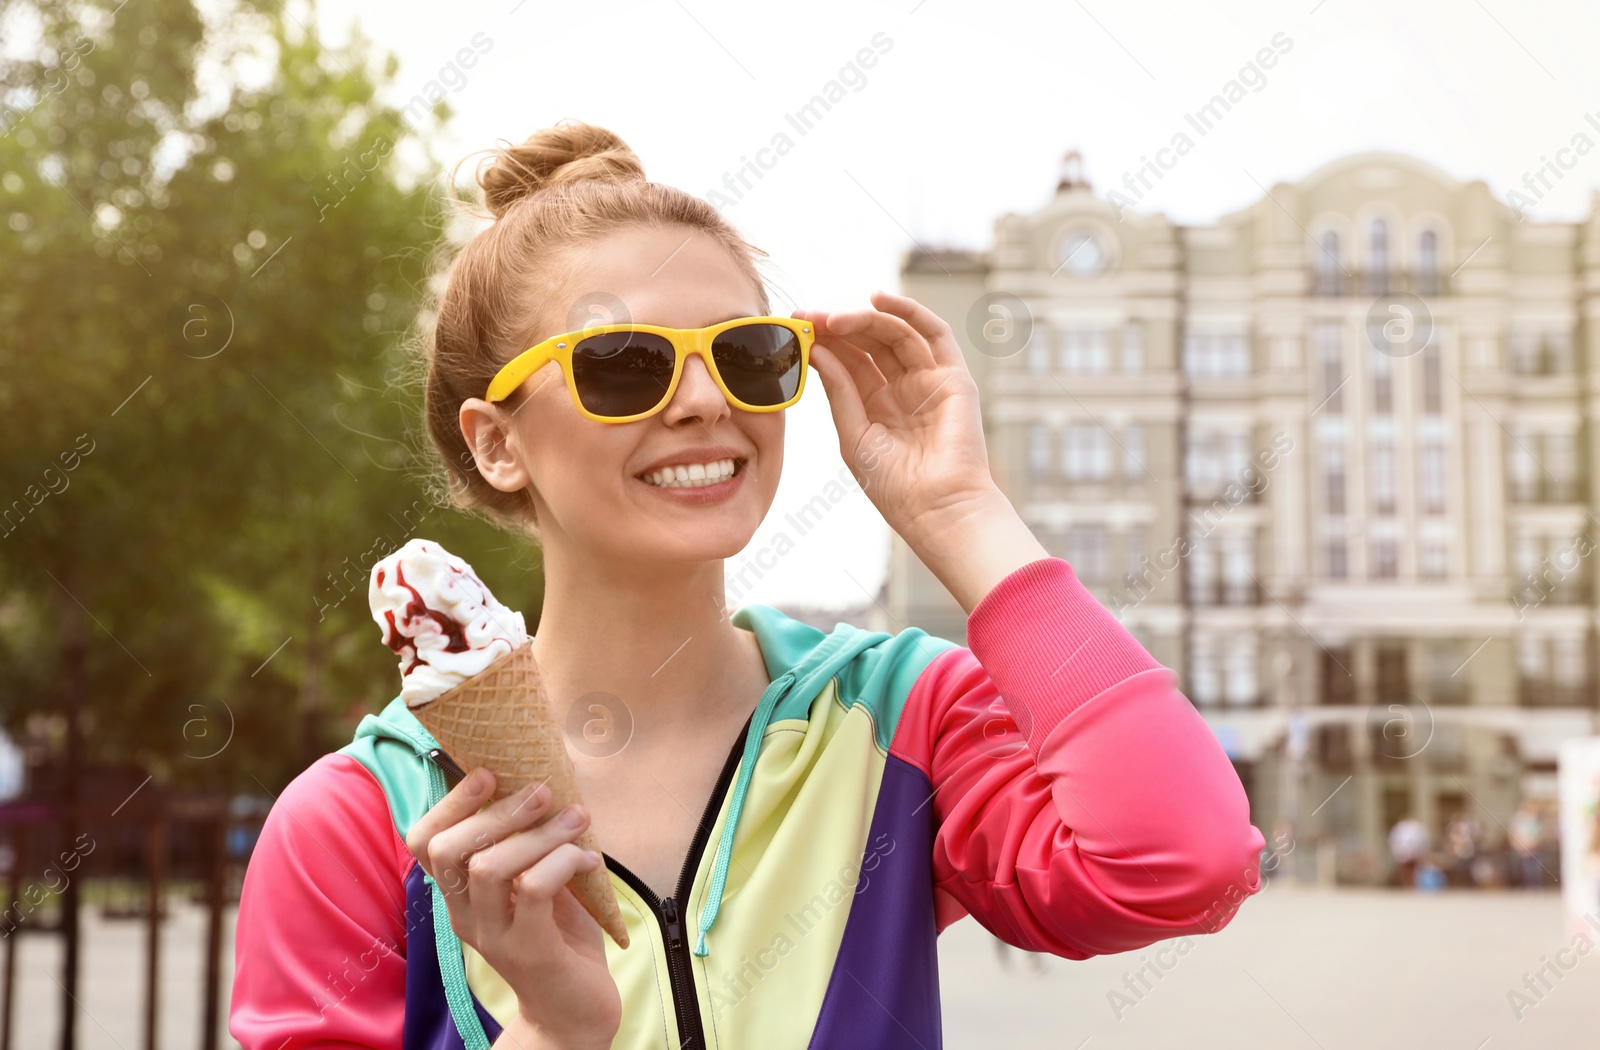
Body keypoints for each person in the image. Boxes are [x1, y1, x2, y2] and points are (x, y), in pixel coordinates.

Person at [227, 121, 1266, 1050]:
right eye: (623, 364)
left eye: (746, 356)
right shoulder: (358, 823)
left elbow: (1186, 863)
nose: (700, 403)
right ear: (498, 443)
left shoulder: (900, 719)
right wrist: (550, 1031)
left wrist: (959, 514)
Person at [1508, 800, 1546, 889]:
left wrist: (1533, 843)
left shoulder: (1538, 821)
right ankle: (1524, 885)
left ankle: (1534, 886)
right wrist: (1518, 844)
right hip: (1522, 848)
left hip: (1534, 848)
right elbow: (1513, 833)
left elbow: (1541, 835)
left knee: (1534, 869)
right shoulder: (1519, 820)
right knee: (1524, 869)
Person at [1389, 815, 1429, 888]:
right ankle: (1407, 886)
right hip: (1403, 852)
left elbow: (1421, 841)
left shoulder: (1416, 827)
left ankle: (1415, 886)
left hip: (1415, 852)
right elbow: (1395, 841)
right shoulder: (1400, 827)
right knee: (1405, 871)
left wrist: (1418, 851)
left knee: (1416, 871)